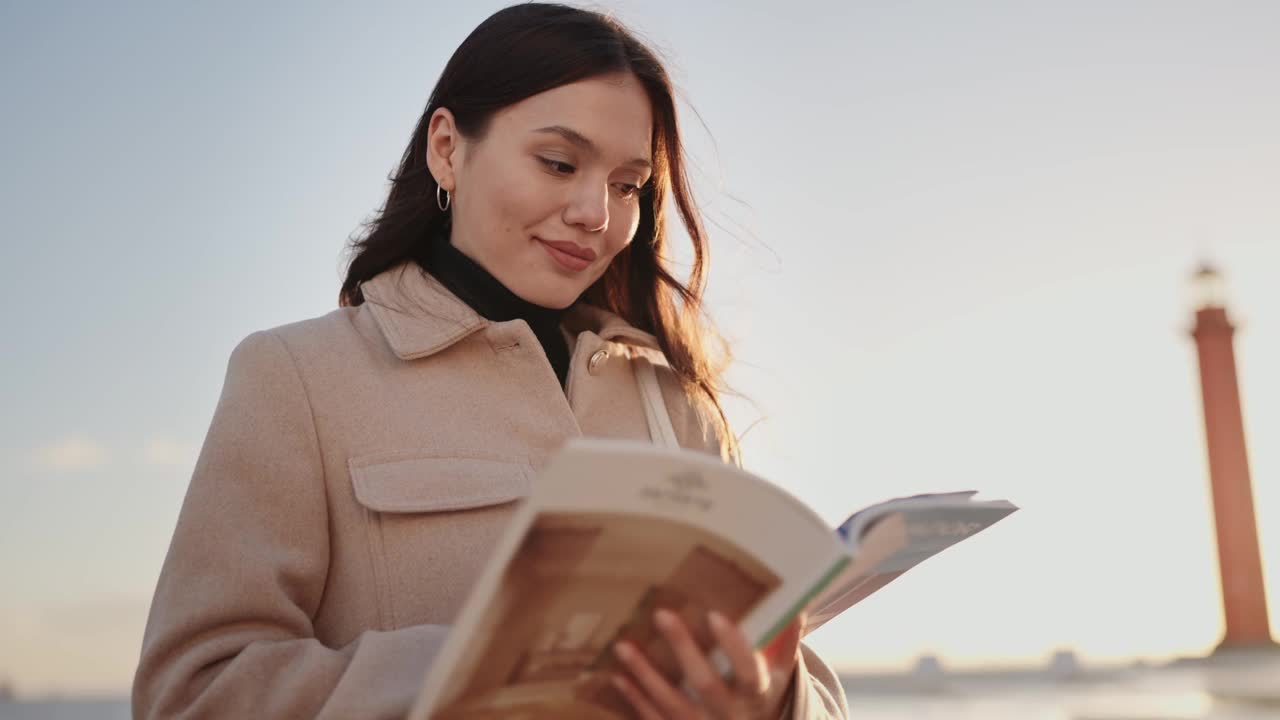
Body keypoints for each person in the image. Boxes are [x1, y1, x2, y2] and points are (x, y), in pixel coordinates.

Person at [132, 4, 850, 719]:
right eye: (560, 163)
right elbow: (191, 692)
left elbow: (805, 687)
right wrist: (477, 672)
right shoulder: (296, 376)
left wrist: (769, 701)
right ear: (448, 148)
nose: (596, 212)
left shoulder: (678, 404)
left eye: (628, 185)